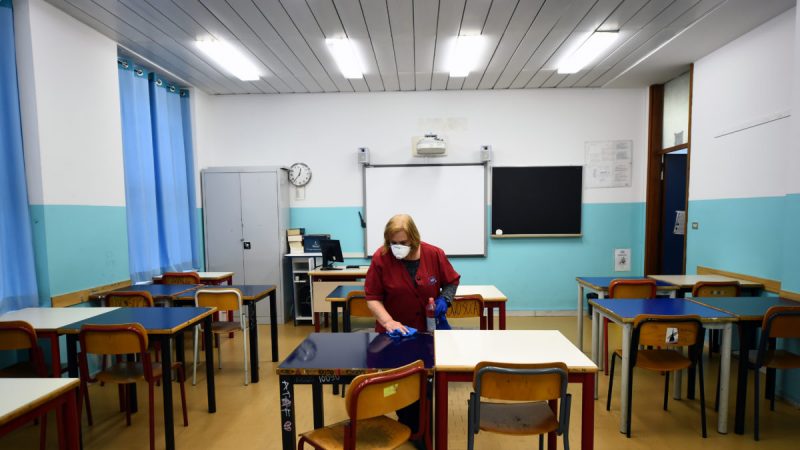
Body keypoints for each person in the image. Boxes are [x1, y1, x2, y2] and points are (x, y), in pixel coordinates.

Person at [364, 213, 460, 446]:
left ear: (414, 238)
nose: (397, 247)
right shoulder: (381, 258)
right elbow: (373, 297)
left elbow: (451, 281)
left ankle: (421, 430)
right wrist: (388, 322)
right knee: (401, 384)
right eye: (393, 243)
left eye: (403, 242)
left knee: (426, 383)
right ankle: (411, 427)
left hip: (427, 334)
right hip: (396, 335)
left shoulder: (434, 254)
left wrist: (445, 299)